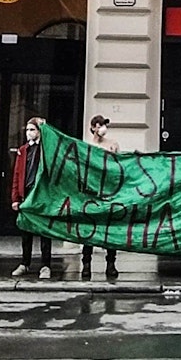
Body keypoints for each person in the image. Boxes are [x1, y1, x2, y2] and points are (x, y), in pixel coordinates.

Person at [11, 117, 52, 279]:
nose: (29, 133)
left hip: (42, 195)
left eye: (32, 129)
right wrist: (15, 197)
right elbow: (17, 175)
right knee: (25, 231)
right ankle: (25, 263)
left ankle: (45, 265)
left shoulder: (46, 149)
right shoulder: (23, 150)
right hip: (26, 194)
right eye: (27, 130)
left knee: (44, 232)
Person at [81, 115, 120, 280]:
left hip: (108, 192)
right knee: (88, 229)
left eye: (104, 125)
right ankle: (86, 264)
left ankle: (111, 264)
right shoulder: (86, 146)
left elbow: (118, 167)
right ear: (93, 128)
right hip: (91, 192)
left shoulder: (112, 144)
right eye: (99, 125)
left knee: (109, 228)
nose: (103, 128)